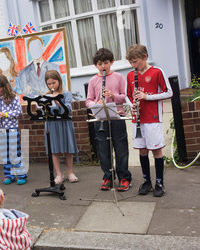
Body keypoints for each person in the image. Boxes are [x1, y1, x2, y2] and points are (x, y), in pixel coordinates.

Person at [125, 44, 173, 197]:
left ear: (145, 57)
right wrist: (131, 105)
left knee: (156, 150)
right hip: (137, 119)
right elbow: (128, 95)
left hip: (153, 118)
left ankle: (159, 182)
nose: (133, 65)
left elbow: (169, 92)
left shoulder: (157, 72)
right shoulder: (130, 75)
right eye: (131, 62)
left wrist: (148, 97)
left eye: (135, 61)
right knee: (143, 150)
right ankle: (147, 181)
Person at [86, 48, 132, 191]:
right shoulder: (93, 80)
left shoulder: (118, 77)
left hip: (117, 117)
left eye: (106, 63)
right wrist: (96, 104)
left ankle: (124, 177)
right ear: (96, 65)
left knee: (121, 149)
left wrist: (113, 95)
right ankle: (108, 177)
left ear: (112, 62)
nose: (103, 66)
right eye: (100, 64)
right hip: (101, 119)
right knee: (104, 150)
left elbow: (125, 96)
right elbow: (88, 101)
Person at [0, 75, 27, 185]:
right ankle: (9, 175)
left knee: (15, 152)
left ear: (4, 86)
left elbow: (18, 111)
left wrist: (5, 114)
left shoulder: (13, 96)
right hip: (1, 129)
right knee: (5, 154)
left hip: (12, 128)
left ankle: (21, 175)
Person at [44, 70, 79, 184]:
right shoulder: (46, 95)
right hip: (52, 124)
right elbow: (44, 111)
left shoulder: (66, 94)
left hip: (64, 123)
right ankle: (59, 174)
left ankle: (70, 172)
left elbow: (69, 110)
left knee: (68, 148)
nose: (51, 86)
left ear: (59, 80)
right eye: (49, 84)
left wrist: (59, 103)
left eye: (53, 83)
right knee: (54, 150)